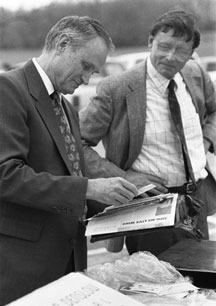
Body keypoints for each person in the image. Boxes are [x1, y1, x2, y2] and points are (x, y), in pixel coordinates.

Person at [0, 16, 139, 305]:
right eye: (86, 66)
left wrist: (127, 207)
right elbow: (6, 175)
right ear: (62, 44)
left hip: (70, 261)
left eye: (94, 71)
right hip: (23, 266)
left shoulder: (66, 107)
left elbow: (71, 172)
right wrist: (89, 189)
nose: (88, 79)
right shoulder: (8, 90)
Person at [80, 10, 216, 255]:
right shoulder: (116, 88)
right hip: (149, 209)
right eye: (164, 46)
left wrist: (206, 139)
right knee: (156, 289)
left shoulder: (196, 75)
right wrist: (123, 177)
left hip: (197, 202)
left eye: (181, 51)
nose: (170, 57)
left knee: (198, 287)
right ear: (150, 41)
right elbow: (77, 143)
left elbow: (215, 112)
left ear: (191, 54)